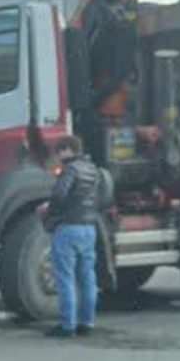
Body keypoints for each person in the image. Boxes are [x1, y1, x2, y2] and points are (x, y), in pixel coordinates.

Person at [39, 136, 101, 338]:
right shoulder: (92, 169)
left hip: (68, 229)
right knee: (87, 278)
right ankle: (87, 323)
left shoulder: (71, 169)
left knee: (65, 278)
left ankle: (67, 326)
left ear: (68, 150)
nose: (58, 157)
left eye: (60, 152)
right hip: (89, 229)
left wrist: (48, 210)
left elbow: (59, 195)